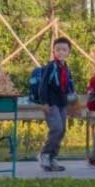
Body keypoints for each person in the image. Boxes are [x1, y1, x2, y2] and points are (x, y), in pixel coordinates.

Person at [39, 37, 77, 172]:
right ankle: (45, 154)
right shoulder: (50, 67)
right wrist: (43, 103)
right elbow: (43, 85)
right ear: (53, 51)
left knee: (62, 130)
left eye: (64, 50)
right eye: (58, 50)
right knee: (56, 128)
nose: (61, 52)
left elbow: (70, 88)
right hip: (50, 103)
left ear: (68, 52)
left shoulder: (66, 68)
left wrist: (73, 105)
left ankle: (53, 157)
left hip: (62, 104)